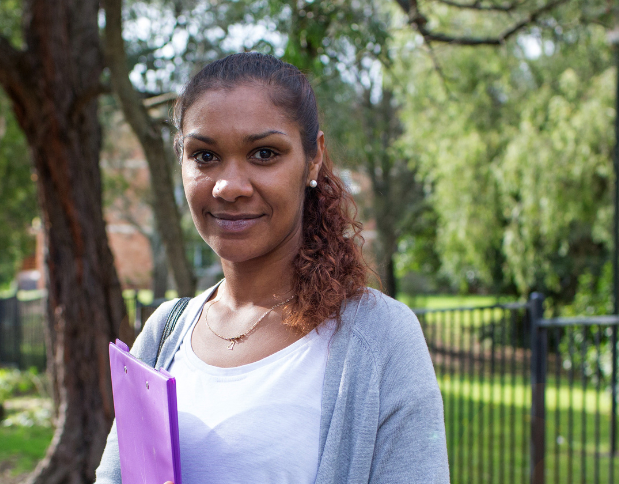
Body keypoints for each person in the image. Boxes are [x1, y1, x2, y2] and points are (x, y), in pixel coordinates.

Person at [96, 52, 448, 483]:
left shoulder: (378, 339)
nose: (229, 186)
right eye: (204, 156)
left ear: (312, 159)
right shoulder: (165, 333)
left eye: (264, 153)